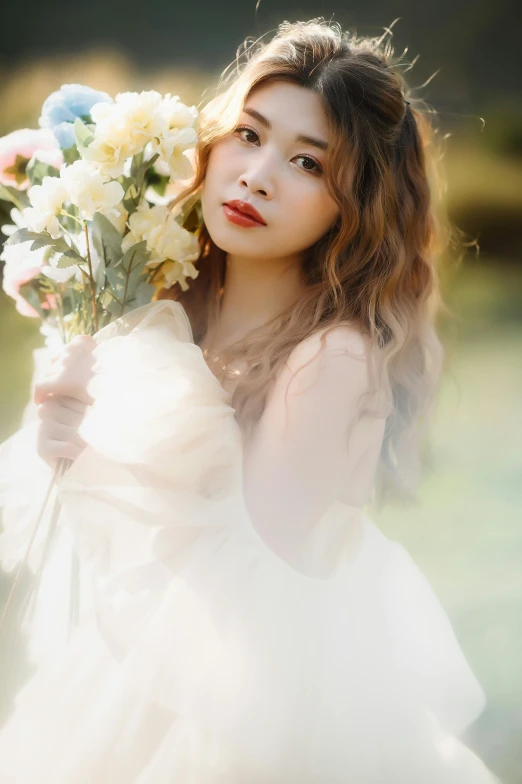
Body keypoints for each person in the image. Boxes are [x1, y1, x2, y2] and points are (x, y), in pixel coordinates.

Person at [0, 18, 502, 783]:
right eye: (248, 134)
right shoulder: (170, 305)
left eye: (307, 163)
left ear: (353, 204)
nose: (257, 175)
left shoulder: (332, 359)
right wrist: (65, 428)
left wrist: (104, 453)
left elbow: (246, 594)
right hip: (129, 682)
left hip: (249, 721)